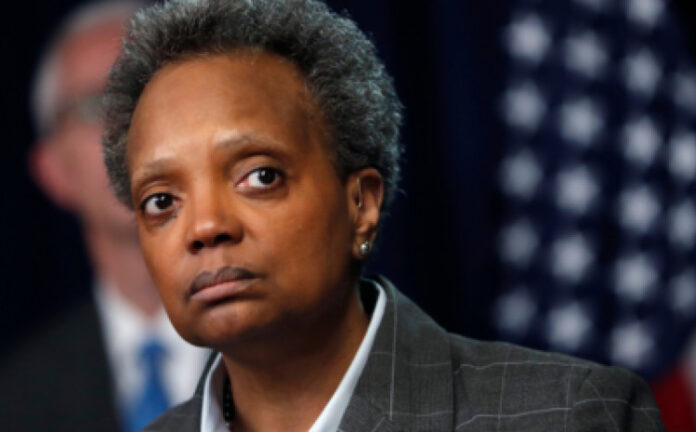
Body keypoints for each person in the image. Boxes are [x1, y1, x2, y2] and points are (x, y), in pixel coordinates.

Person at [101, 0, 666, 430]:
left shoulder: (572, 416)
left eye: (261, 176)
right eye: (161, 201)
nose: (205, 227)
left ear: (362, 204)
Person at [0, 2, 208, 431]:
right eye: (96, 106)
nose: (129, 128)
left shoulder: (298, 349)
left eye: (144, 90)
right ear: (53, 170)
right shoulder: (15, 399)